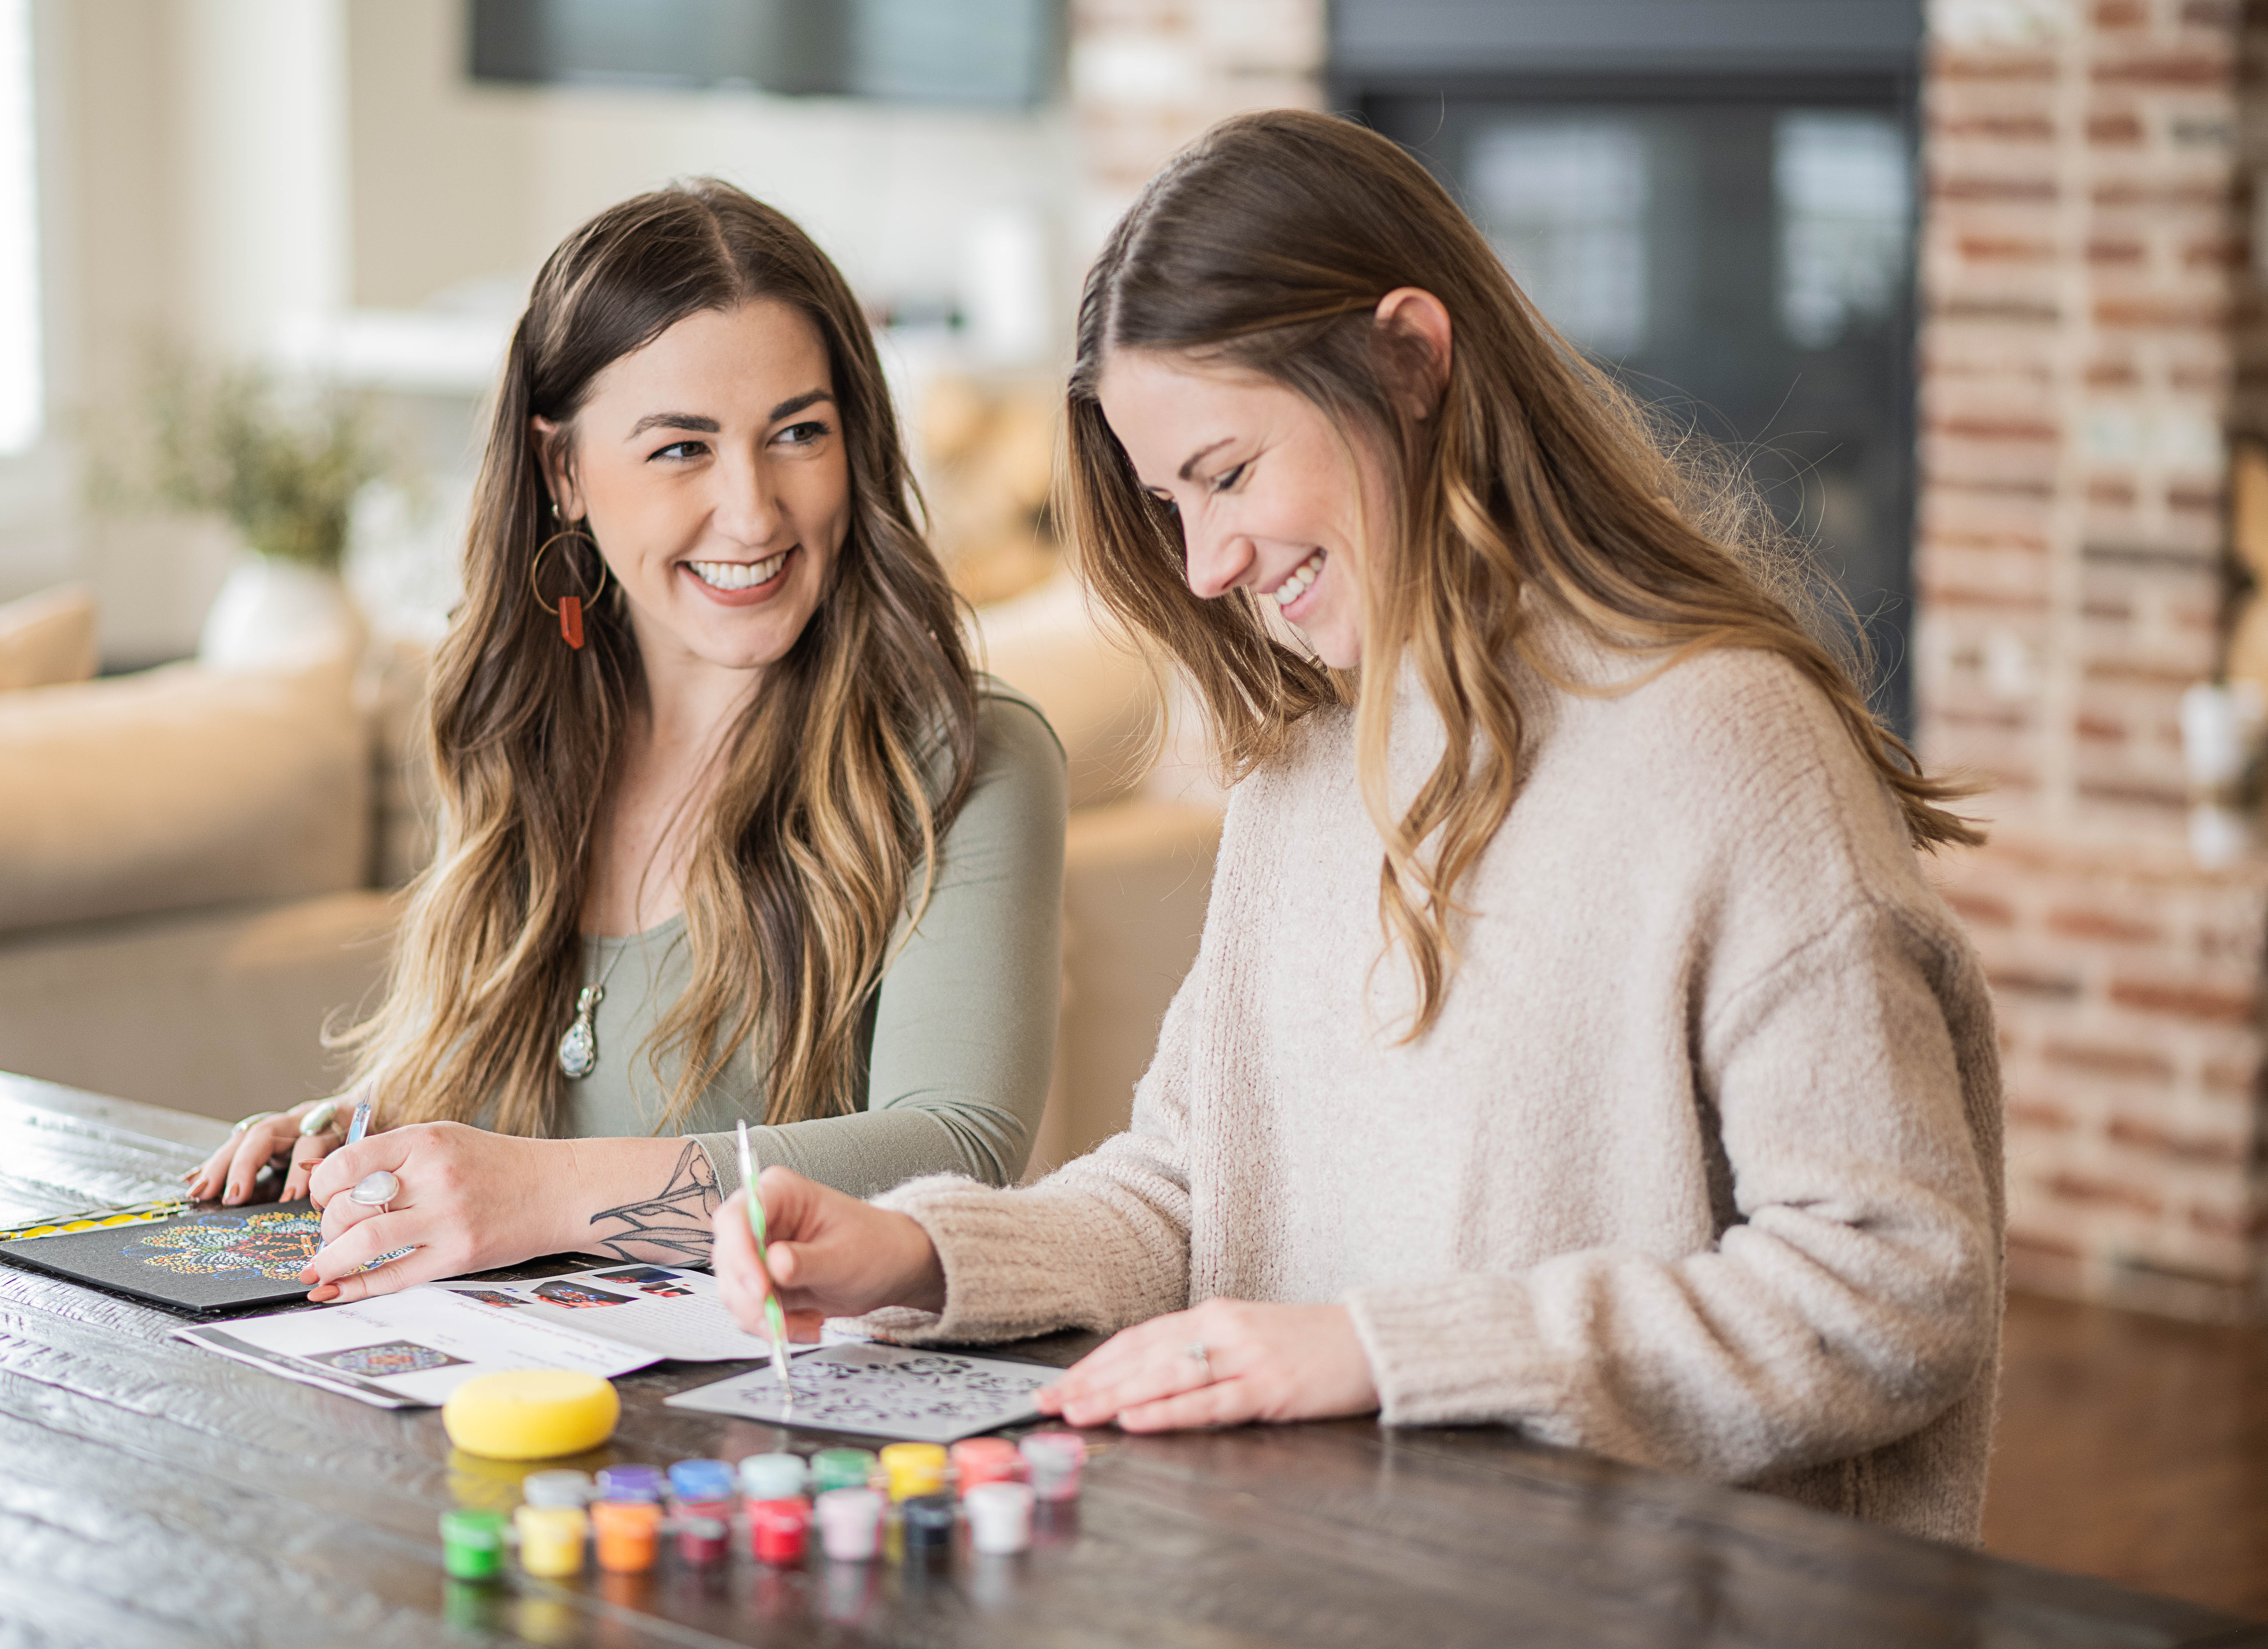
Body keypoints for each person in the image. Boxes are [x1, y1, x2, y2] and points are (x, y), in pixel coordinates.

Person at [710, 110, 2005, 1544]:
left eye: (1228, 473)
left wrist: (1377, 1351)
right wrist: (916, 1251)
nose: (1206, 565)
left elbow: (1892, 1285)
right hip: (1348, 1571)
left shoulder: (1728, 747)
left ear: (1412, 360)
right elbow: (1195, 1189)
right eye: (1167, 503)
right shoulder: (1305, 772)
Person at [185, 181, 1067, 1299]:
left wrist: (538, 1195)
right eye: (681, 449)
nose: (753, 511)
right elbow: (517, 1124)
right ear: (563, 473)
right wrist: (367, 1146)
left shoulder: (963, 757)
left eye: (799, 433)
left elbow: (957, 1151)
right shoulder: (523, 735)